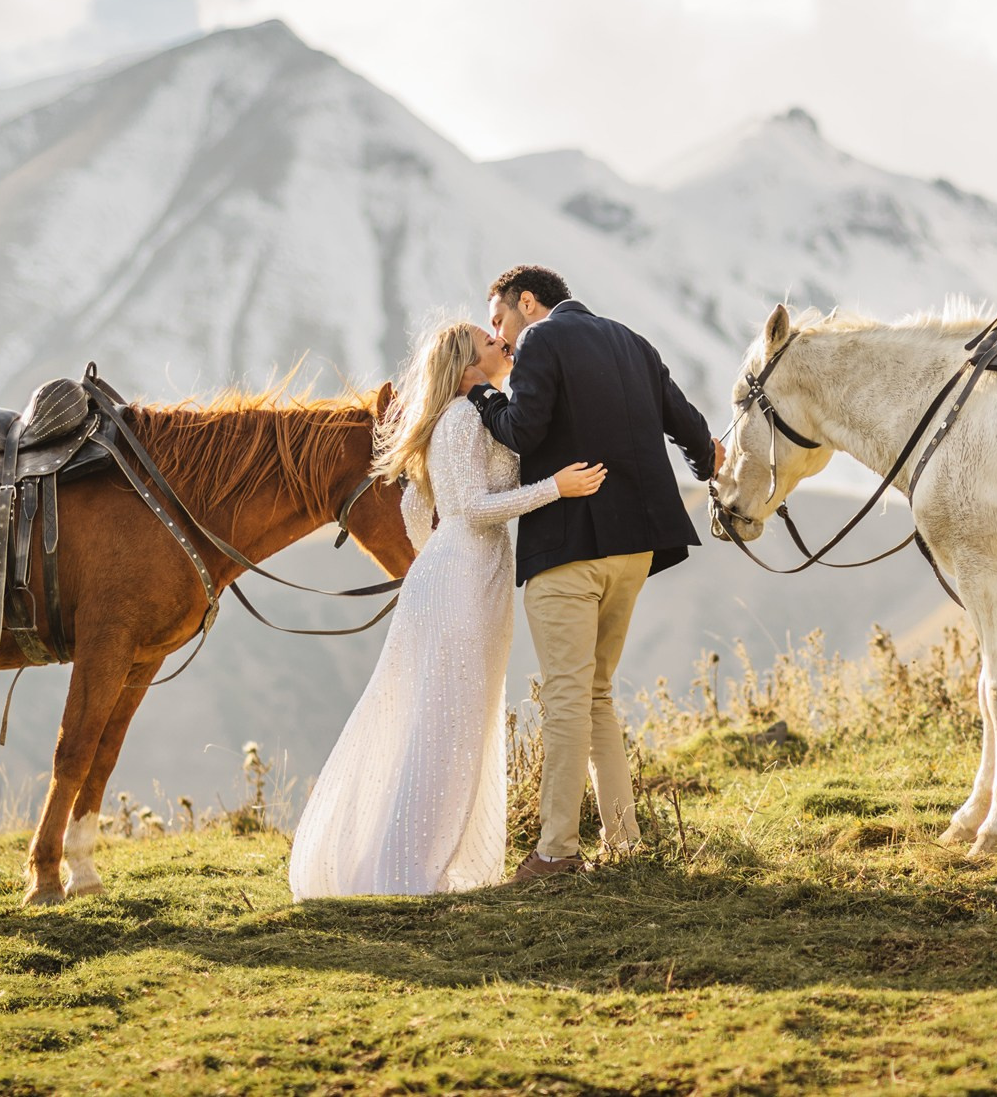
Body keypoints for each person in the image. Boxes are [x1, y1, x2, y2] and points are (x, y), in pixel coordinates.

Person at [288, 319, 606, 898]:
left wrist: (428, 561)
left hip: (461, 575)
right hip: (463, 577)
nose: (502, 345)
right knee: (445, 723)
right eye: (490, 344)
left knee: (453, 720)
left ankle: (420, 858)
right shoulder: (461, 417)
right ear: (466, 366)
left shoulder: (464, 416)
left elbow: (416, 504)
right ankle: (408, 870)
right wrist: (555, 488)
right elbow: (470, 508)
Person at [466, 265, 722, 881]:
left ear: (528, 303)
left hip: (569, 547)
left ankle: (556, 851)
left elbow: (522, 430)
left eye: (499, 319)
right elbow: (693, 432)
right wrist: (704, 463)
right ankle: (623, 840)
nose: (499, 334)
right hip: (636, 549)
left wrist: (479, 393)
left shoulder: (541, 341)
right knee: (597, 693)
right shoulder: (632, 340)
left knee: (564, 699)